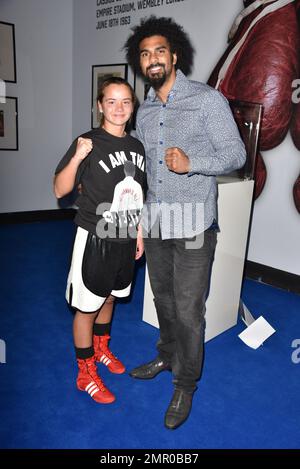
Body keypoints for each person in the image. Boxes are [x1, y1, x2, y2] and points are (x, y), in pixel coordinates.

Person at [124, 16, 246, 428]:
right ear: (140, 63)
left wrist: (193, 164)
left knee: (190, 310)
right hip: (158, 221)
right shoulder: (145, 110)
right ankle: (166, 353)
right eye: (145, 54)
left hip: (195, 223)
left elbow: (236, 155)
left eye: (160, 50)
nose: (153, 59)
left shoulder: (207, 100)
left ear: (175, 56)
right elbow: (146, 175)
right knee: (163, 300)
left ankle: (186, 383)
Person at [53, 77, 146, 404]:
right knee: (86, 306)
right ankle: (84, 370)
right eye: (112, 101)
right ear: (100, 106)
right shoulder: (87, 141)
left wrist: (139, 232)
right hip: (94, 237)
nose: (119, 108)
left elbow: (136, 195)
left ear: (132, 108)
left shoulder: (137, 147)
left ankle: (102, 348)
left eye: (126, 102)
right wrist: (78, 157)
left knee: (110, 299)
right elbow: (60, 190)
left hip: (124, 238)